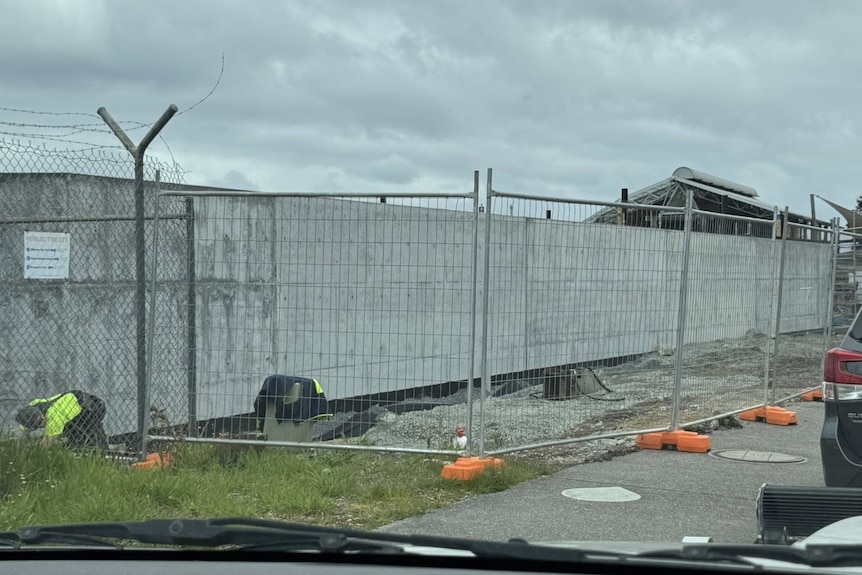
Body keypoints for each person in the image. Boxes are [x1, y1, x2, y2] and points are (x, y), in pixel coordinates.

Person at [15, 389, 109, 452]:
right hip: (73, 404)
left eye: (41, 420)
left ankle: (104, 450)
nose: (42, 424)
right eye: (37, 424)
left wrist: (30, 451)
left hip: (92, 408)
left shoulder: (54, 416)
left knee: (89, 441)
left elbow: (46, 445)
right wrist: (22, 448)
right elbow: (23, 435)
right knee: (70, 434)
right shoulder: (31, 407)